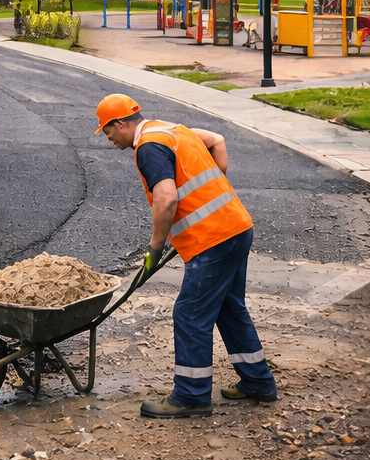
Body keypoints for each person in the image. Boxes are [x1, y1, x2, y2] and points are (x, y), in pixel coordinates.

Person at [95, 93, 277, 418]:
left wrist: (155, 247)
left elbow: (165, 198)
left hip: (213, 240)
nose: (107, 138)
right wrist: (214, 183)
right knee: (228, 308)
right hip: (236, 226)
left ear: (120, 123)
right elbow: (217, 141)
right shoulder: (172, 130)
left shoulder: (147, 148)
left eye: (107, 130)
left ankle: (192, 395)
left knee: (189, 313)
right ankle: (258, 382)